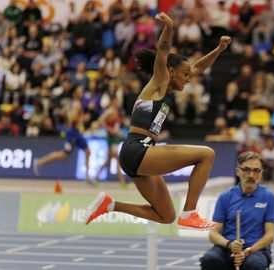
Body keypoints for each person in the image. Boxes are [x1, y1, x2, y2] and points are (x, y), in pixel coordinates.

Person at [83, 12, 232, 230]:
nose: (189, 78)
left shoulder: (168, 89)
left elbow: (198, 68)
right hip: (138, 149)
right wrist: (169, 28)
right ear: (171, 71)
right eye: (185, 74)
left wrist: (218, 50)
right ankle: (190, 212)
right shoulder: (159, 82)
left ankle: (110, 205)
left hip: (137, 155)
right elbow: (163, 51)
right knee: (206, 154)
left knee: (165, 215)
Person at [200, 151, 274, 270]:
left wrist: (247, 252)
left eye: (256, 171)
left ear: (261, 173)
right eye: (246, 169)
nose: (251, 175)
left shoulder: (269, 197)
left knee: (254, 265)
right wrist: (230, 245)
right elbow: (213, 234)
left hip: (255, 250)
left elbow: (270, 236)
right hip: (228, 248)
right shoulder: (225, 197)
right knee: (209, 259)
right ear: (238, 171)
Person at [33, 86, 92, 184]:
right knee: (63, 155)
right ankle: (40, 161)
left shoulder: (71, 103)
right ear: (76, 94)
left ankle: (87, 177)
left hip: (75, 132)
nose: (82, 94)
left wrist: (68, 116)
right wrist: (83, 118)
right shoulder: (76, 104)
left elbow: (61, 112)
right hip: (73, 133)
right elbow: (72, 119)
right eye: (80, 92)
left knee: (87, 152)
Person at [92, 95, 128, 188]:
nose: (119, 103)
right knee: (118, 160)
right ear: (113, 102)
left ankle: (95, 179)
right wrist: (110, 130)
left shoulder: (116, 112)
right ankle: (122, 182)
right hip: (111, 140)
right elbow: (100, 122)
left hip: (115, 139)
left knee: (107, 162)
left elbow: (115, 127)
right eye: (117, 101)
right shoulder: (109, 111)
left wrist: (117, 132)